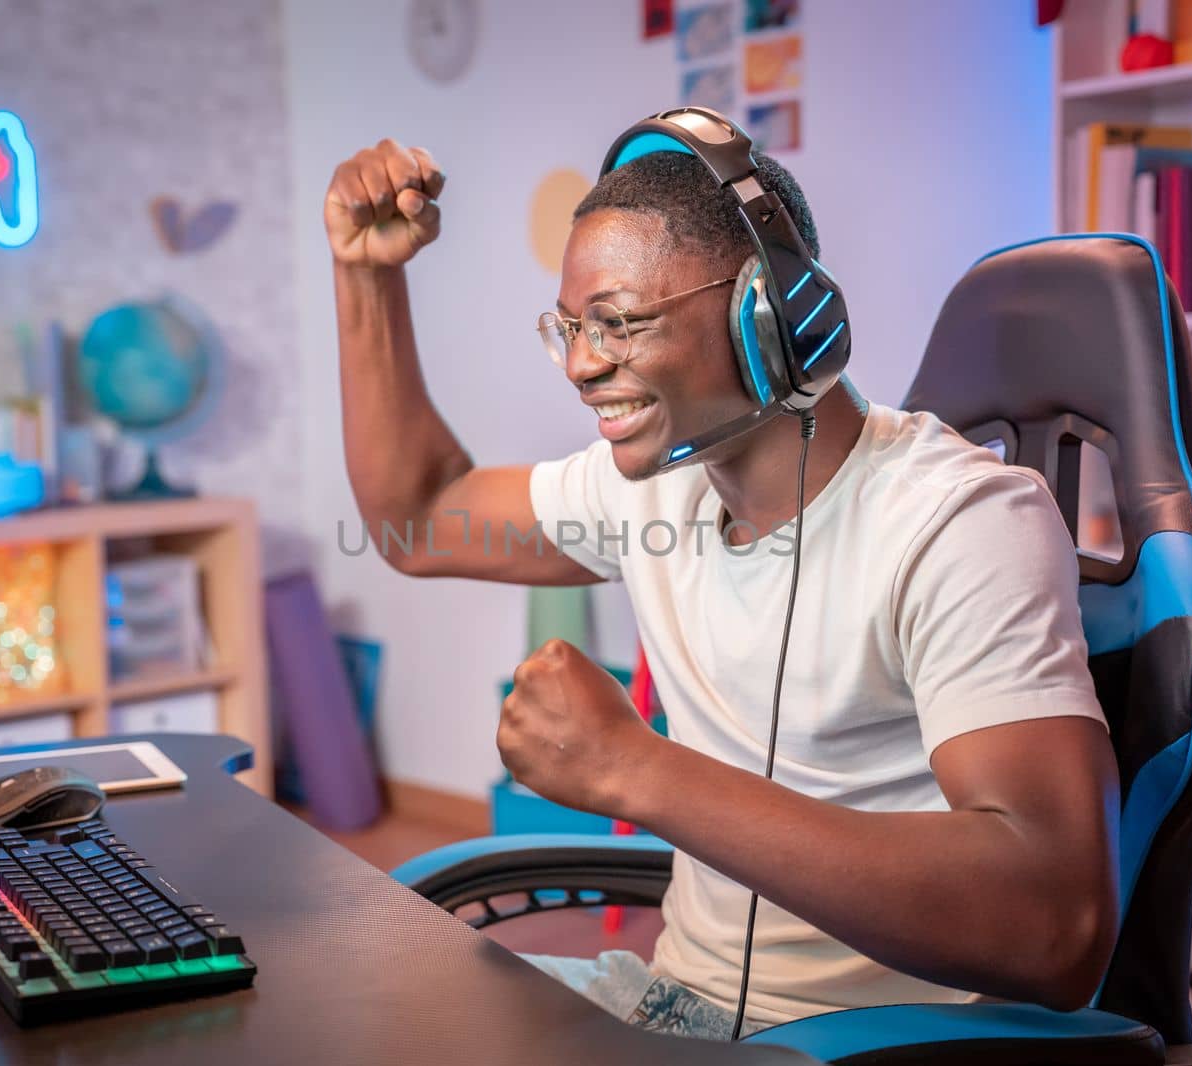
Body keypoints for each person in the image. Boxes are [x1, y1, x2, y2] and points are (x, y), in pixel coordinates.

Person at [324, 127, 1120, 1040]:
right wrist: (365, 275)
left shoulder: (957, 521)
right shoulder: (654, 482)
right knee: (343, 1011)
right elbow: (420, 517)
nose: (584, 366)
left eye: (618, 322)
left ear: (769, 316)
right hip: (674, 1011)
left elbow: (1059, 928)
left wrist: (635, 768)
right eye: (571, 329)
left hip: (880, 1047)